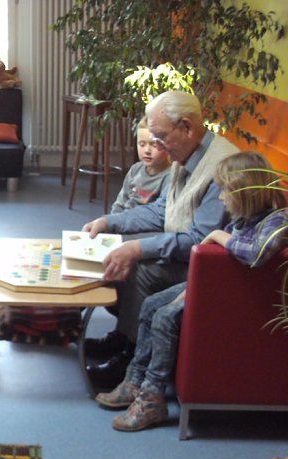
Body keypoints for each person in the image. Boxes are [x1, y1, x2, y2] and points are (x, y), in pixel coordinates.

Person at [95, 151, 288, 431]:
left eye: (226, 192)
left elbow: (255, 255)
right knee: (151, 305)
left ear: (245, 192)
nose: (222, 199)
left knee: (164, 318)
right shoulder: (243, 220)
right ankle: (134, 380)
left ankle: (152, 399)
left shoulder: (278, 223)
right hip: (219, 289)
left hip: (239, 302)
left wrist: (216, 236)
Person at [81, 91, 240, 388]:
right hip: (191, 255)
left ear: (187, 127)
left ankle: (129, 356)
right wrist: (109, 223)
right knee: (121, 252)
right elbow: (160, 211)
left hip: (213, 268)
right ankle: (122, 337)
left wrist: (138, 248)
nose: (158, 145)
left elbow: (198, 240)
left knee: (141, 270)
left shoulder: (221, 167)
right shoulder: (187, 153)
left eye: (161, 136)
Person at [109, 117, 171, 214]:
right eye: (142, 144)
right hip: (122, 222)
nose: (147, 151)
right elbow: (120, 203)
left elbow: (159, 215)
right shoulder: (135, 170)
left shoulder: (169, 177)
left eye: (154, 145)